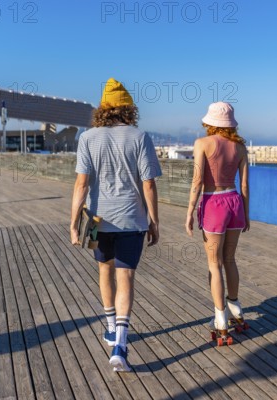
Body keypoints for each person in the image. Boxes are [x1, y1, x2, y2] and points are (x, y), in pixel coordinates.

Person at [71, 78, 161, 372]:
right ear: (128, 109)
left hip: (96, 220)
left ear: (103, 108)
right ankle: (120, 342)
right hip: (131, 220)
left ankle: (110, 327)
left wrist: (73, 223)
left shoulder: (87, 138)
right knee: (126, 278)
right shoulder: (140, 137)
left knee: (103, 270)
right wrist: (153, 221)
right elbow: (148, 184)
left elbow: (81, 184)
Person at [185, 102, 250, 341]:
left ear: (210, 122)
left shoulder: (202, 144)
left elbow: (197, 181)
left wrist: (190, 211)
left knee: (214, 264)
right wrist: (247, 213)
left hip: (214, 203)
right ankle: (235, 306)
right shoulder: (240, 147)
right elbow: (244, 185)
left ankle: (220, 316)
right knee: (230, 259)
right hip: (234, 202)